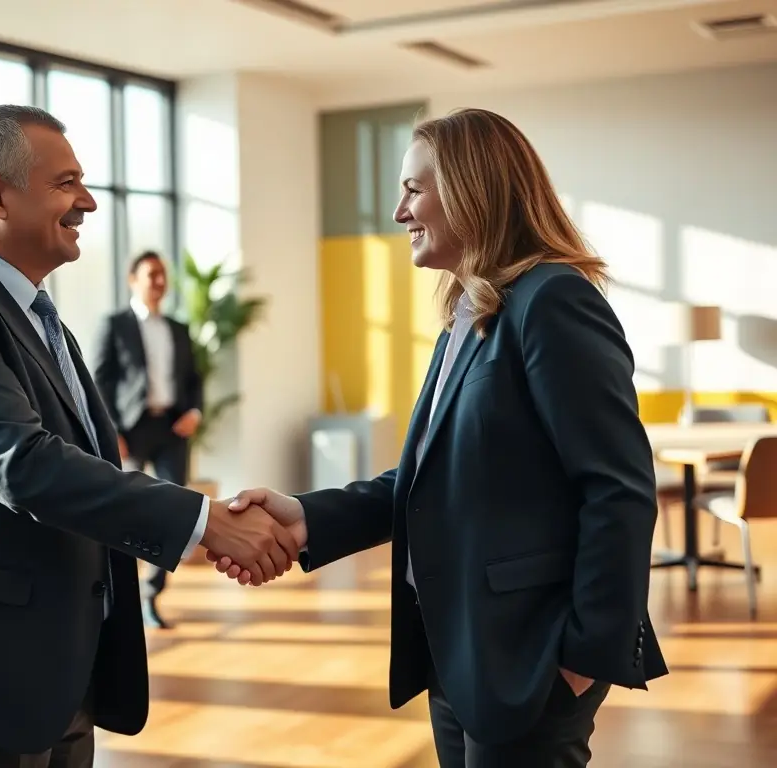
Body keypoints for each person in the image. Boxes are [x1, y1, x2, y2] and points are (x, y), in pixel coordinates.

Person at [0, 104, 298, 768]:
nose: (87, 201)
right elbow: (24, 465)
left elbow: (84, 464)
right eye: (66, 183)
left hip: (57, 676)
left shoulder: (39, 316)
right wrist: (205, 521)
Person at [210, 108, 668, 767]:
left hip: (529, 657)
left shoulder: (553, 302)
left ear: (471, 188)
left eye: (413, 189)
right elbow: (427, 479)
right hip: (461, 649)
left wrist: (582, 659)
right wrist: (307, 516)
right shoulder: (472, 309)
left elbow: (619, 489)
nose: (398, 212)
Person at [92, 250, 203, 629]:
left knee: (174, 511)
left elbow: (193, 381)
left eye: (162, 275)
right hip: (131, 430)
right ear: (133, 279)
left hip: (172, 429)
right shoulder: (115, 325)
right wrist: (113, 432)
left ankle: (151, 594)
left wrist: (195, 413)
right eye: (151, 274)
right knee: (127, 511)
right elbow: (100, 383)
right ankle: (118, 593)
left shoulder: (178, 328)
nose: (159, 281)